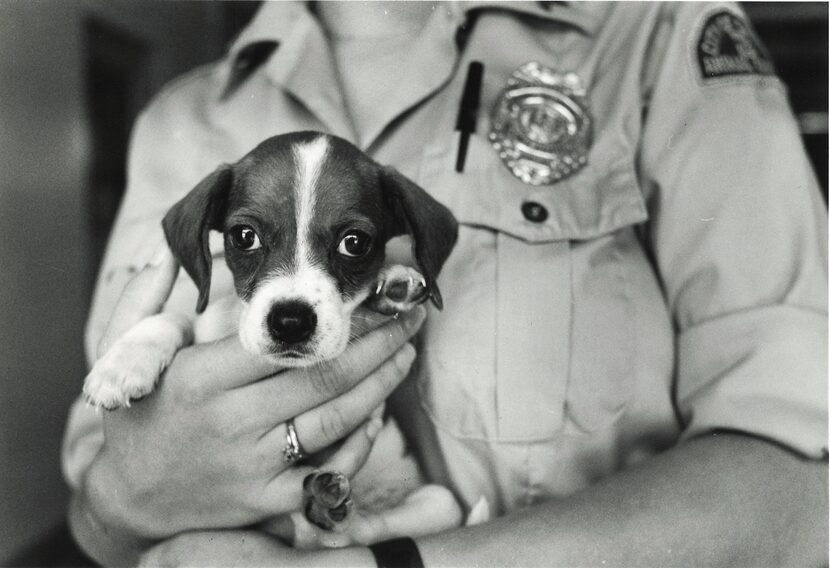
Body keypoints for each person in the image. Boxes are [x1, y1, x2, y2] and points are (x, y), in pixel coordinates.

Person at [63, 2, 828, 566]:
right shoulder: (184, 118)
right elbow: (97, 513)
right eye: (248, 241)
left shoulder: (652, 32)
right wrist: (123, 498)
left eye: (355, 243)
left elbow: (804, 484)